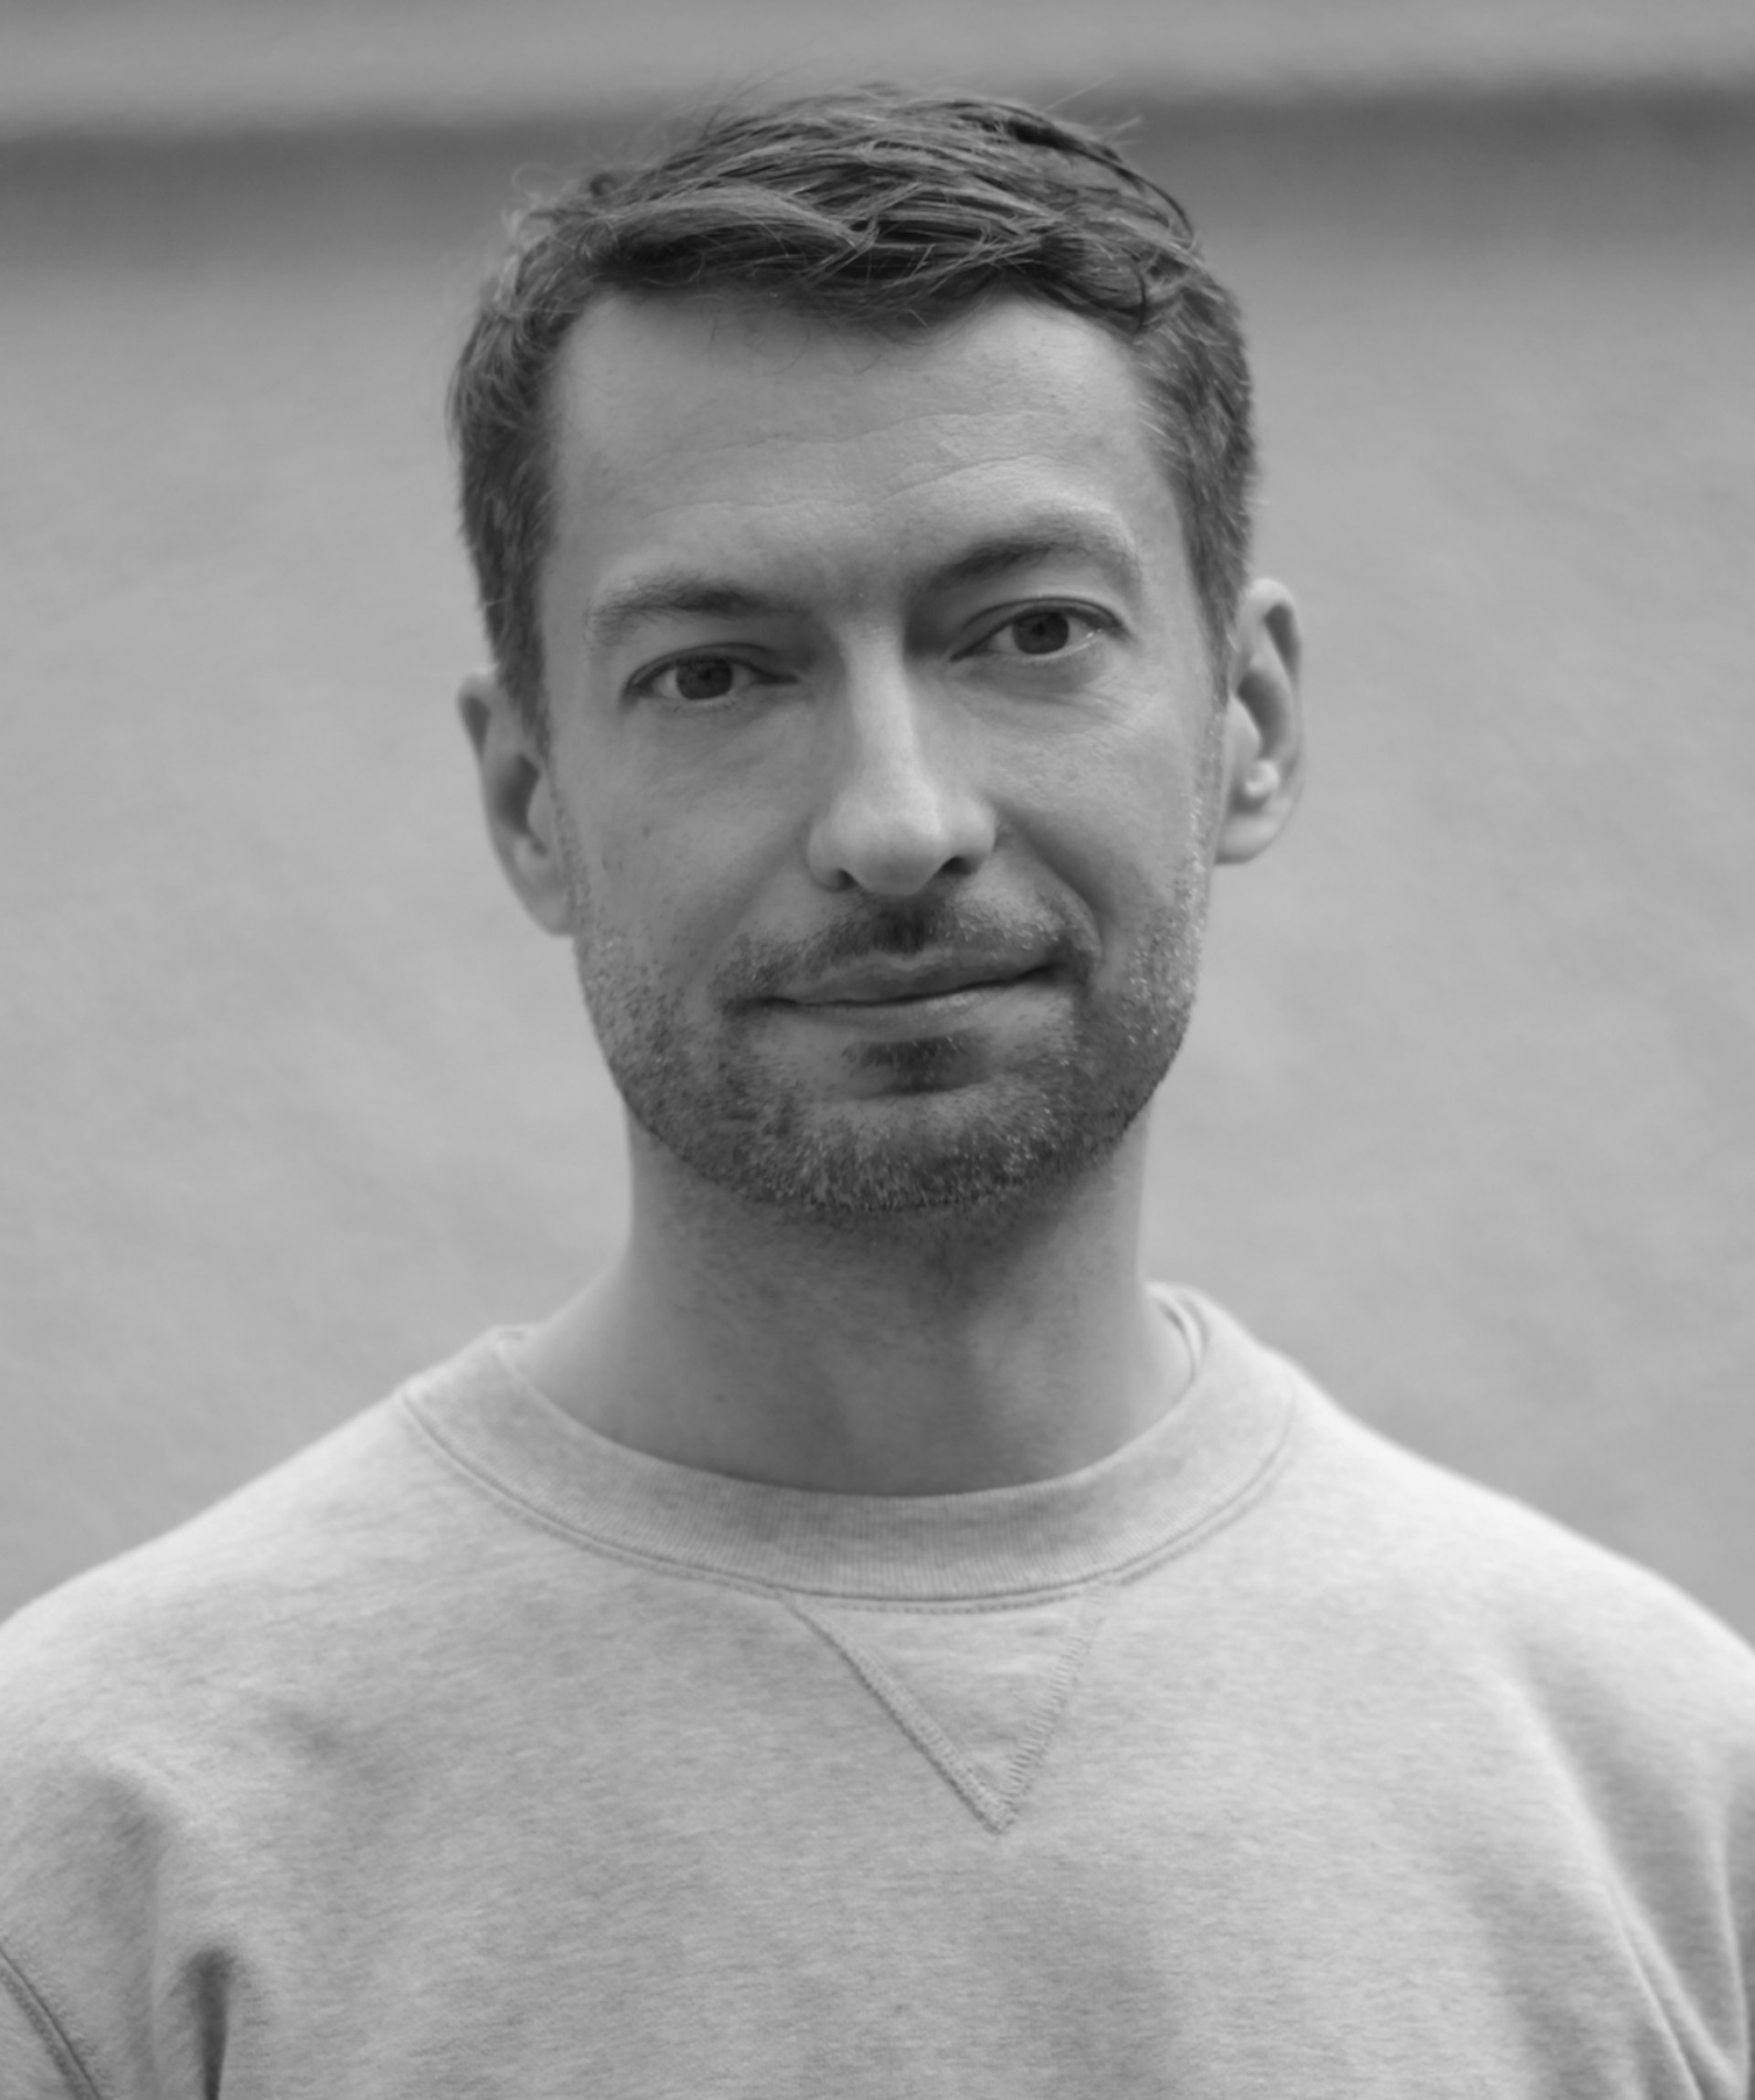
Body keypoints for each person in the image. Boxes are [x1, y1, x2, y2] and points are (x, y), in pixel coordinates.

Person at [3, 84, 1752, 2100]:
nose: (899, 822)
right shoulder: (104, 1843)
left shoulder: (1669, 1799)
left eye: (1031, 631)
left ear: (1250, 723)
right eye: (719, 671)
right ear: (530, 798)